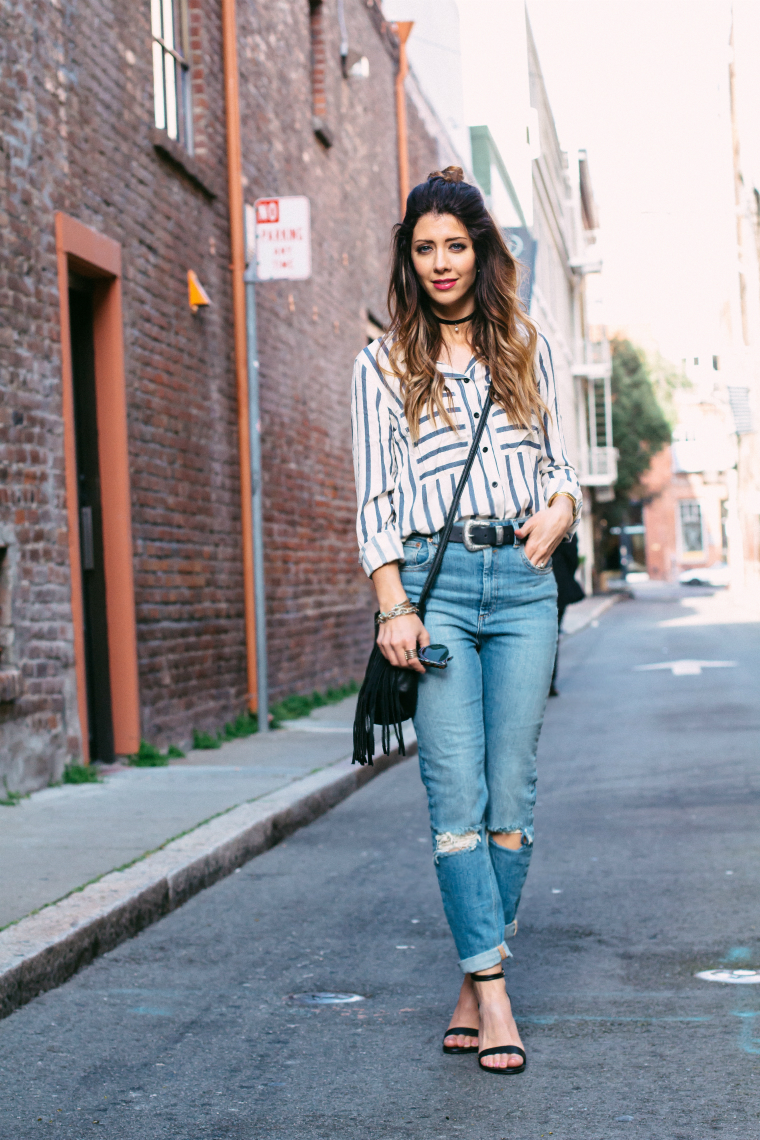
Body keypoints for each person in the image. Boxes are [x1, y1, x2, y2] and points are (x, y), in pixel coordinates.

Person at [350, 168, 581, 1074]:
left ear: (481, 252)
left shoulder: (527, 343)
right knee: (457, 801)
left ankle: (472, 975)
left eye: (456, 245)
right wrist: (392, 606)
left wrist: (560, 508)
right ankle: (495, 994)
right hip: (437, 589)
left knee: (512, 797)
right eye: (424, 248)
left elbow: (561, 464)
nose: (441, 263)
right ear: (408, 260)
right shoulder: (382, 364)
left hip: (523, 585)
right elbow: (374, 501)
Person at [549, 533, 585, 696]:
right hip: (559, 584)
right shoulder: (563, 520)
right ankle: (549, 683)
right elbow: (572, 557)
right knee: (552, 636)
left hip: (541, 584)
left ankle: (545, 682)